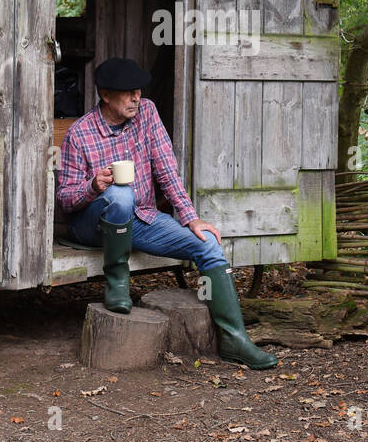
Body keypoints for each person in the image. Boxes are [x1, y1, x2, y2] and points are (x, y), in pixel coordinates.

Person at [56, 56, 277, 369]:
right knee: (120, 195)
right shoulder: (80, 134)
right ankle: (117, 285)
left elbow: (166, 169)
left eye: (138, 90)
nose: (137, 97)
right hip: (92, 226)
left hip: (143, 218)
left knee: (208, 245)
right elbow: (66, 199)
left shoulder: (146, 112)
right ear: (106, 95)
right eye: (128, 92)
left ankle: (235, 340)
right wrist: (93, 186)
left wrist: (190, 217)